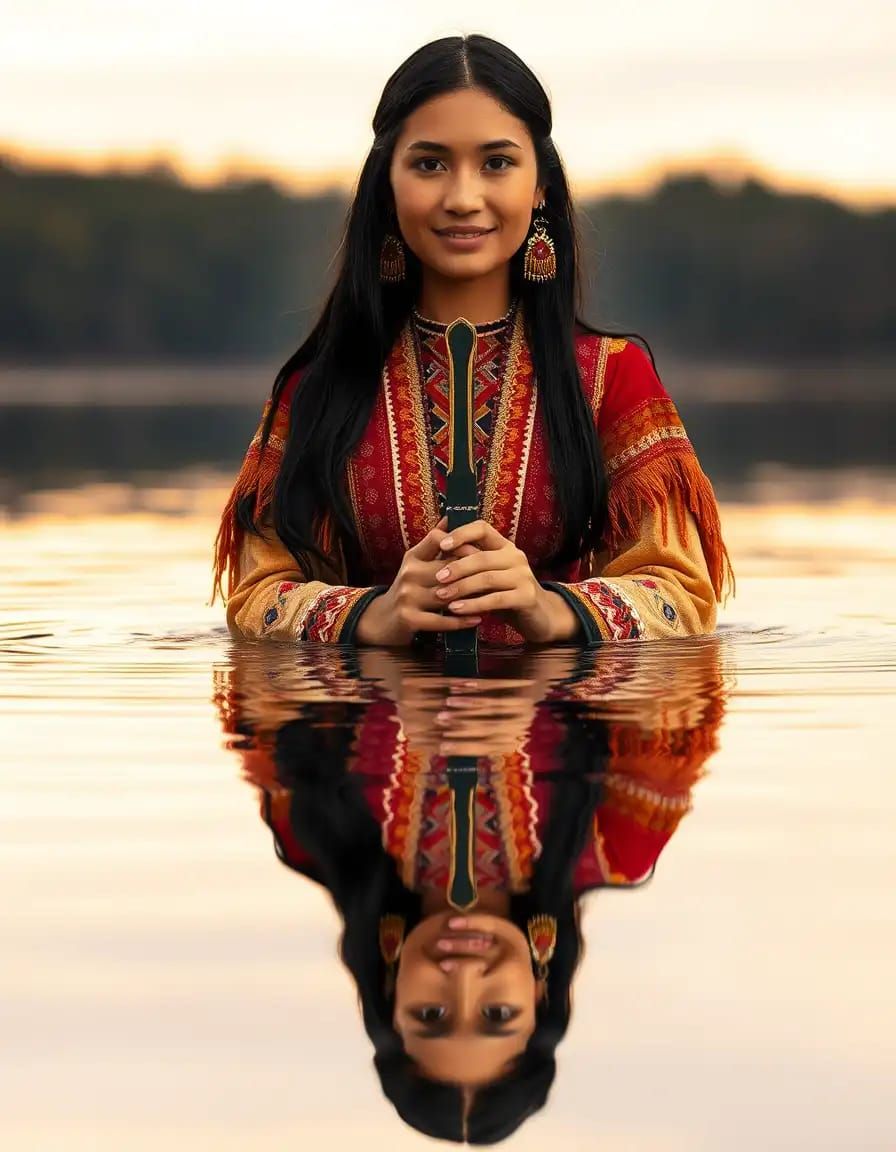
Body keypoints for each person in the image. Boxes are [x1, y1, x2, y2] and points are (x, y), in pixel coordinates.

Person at [210, 34, 734, 647]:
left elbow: (684, 595)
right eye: (430, 163)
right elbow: (254, 597)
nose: (463, 198)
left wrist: (549, 609)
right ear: (387, 185)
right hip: (367, 724)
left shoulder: (611, 377)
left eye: (497, 163)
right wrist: (370, 615)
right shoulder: (321, 387)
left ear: (541, 187)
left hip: (562, 722)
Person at [215, 639, 729, 1142]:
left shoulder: (310, 830)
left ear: (392, 997)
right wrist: (560, 618)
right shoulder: (619, 840)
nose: (462, 979)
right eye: (498, 1014)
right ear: (540, 996)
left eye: (430, 1015)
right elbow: (675, 642)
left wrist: (365, 622)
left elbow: (260, 644)